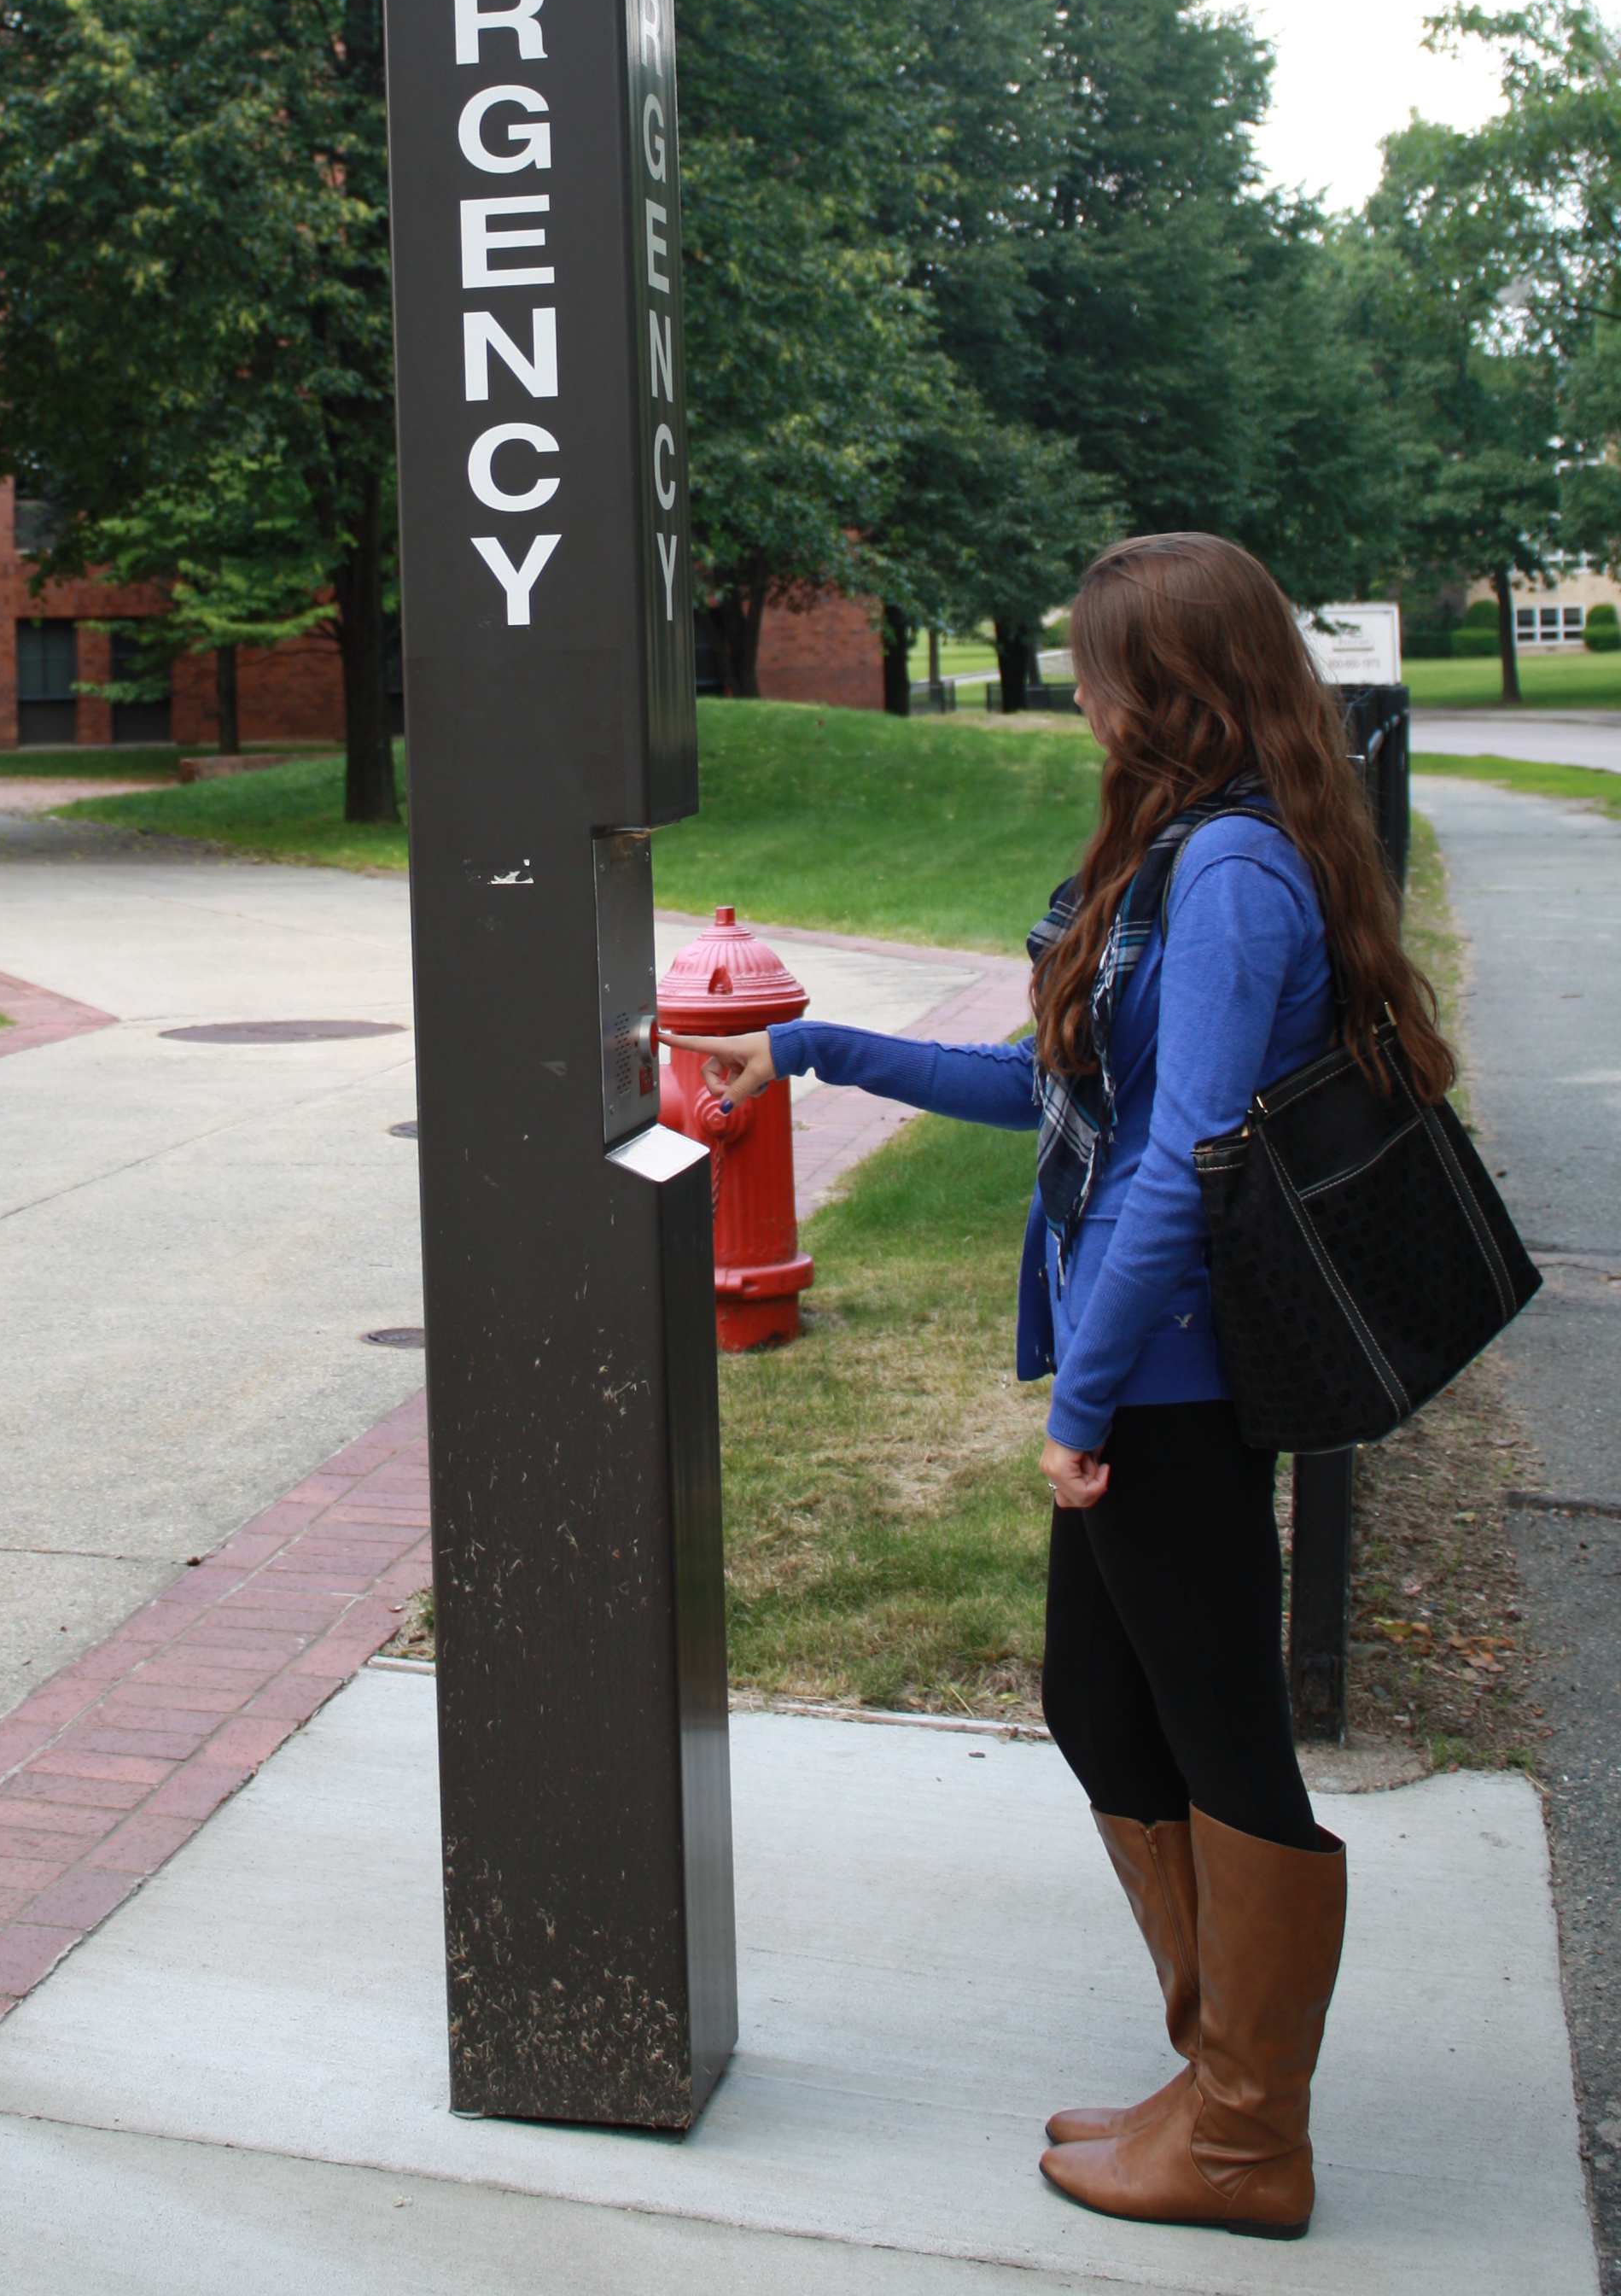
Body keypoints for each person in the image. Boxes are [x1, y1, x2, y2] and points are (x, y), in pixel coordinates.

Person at [668, 532, 1454, 2240]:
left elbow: (1181, 1163)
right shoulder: (1173, 854)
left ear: (1170, 683)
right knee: (1104, 1709)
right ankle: (1214, 2071)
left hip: (1171, 1378)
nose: (1084, 696)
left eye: (1101, 667)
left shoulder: (1236, 874)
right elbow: (1060, 1091)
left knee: (1222, 1729)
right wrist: (799, 1046)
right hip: (1138, 1369)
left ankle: (1251, 2134)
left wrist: (1084, 1402)